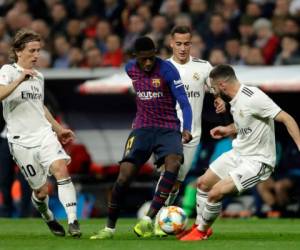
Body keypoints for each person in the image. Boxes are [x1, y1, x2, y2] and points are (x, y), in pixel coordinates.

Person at [180, 64, 300, 241]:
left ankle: (202, 232)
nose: (214, 92)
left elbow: (286, 118)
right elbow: (245, 123)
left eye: (214, 88)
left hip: (257, 161)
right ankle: (198, 226)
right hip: (238, 153)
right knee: (203, 184)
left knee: (214, 194)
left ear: (222, 86)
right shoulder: (235, 100)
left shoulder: (254, 97)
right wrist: (227, 130)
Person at [90, 36, 193, 240]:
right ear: (135, 57)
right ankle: (109, 229)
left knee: (173, 165)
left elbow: (185, 102)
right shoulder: (130, 69)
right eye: (143, 59)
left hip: (168, 128)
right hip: (142, 128)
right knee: (124, 175)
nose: (147, 63)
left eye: (151, 58)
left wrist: (187, 128)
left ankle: (148, 219)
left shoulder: (167, 70)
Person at [0, 29, 81, 237]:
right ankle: (47, 216)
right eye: (32, 50)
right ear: (19, 51)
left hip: (44, 135)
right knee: (40, 191)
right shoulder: (8, 71)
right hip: (20, 141)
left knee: (60, 168)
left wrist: (58, 129)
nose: (36, 55)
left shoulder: (39, 77)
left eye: (38, 50)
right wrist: (19, 79)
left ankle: (73, 221)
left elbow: (40, 106)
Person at [153, 26, 225, 236]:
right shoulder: (161, 68)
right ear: (171, 43)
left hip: (193, 133)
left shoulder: (203, 67)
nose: (183, 48)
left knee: (176, 181)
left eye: (186, 44)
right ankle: (155, 219)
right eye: (178, 44)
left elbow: (214, 89)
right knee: (168, 173)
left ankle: (163, 217)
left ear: (191, 44)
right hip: (167, 130)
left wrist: (219, 99)